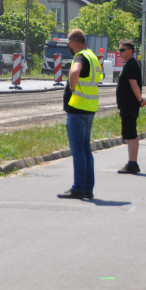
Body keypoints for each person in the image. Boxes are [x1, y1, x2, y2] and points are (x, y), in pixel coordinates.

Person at [57, 28, 103, 200]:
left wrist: (72, 87)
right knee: (85, 150)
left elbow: (75, 72)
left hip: (77, 109)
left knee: (78, 150)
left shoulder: (80, 56)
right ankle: (87, 189)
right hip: (90, 108)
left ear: (71, 43)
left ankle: (78, 188)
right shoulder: (92, 56)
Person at [115, 40, 146, 174]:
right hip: (128, 105)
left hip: (129, 105)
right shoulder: (130, 64)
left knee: (131, 134)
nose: (120, 52)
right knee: (130, 134)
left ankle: (132, 164)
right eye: (119, 50)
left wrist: (140, 100)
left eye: (122, 50)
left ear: (130, 50)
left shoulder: (131, 65)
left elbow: (134, 84)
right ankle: (132, 163)